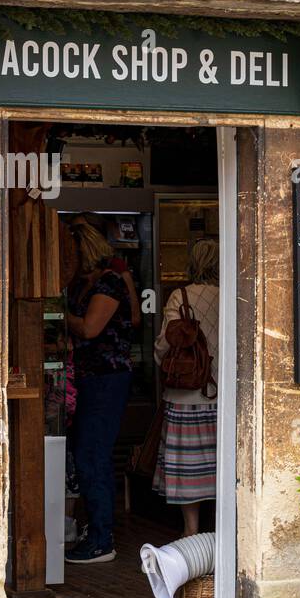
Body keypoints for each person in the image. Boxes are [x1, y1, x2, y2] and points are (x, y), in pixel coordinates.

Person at [64, 222, 137, 563]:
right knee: (88, 454)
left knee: (92, 453)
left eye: (70, 251)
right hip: (90, 378)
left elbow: (90, 328)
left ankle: (101, 538)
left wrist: (61, 316)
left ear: (83, 249)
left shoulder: (108, 282)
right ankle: (96, 529)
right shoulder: (88, 283)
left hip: (106, 379)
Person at [153, 238, 220, 537]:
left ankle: (191, 529)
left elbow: (164, 345)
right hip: (222, 394)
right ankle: (222, 525)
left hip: (186, 394)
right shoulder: (233, 294)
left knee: (187, 468)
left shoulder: (179, 297)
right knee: (222, 465)